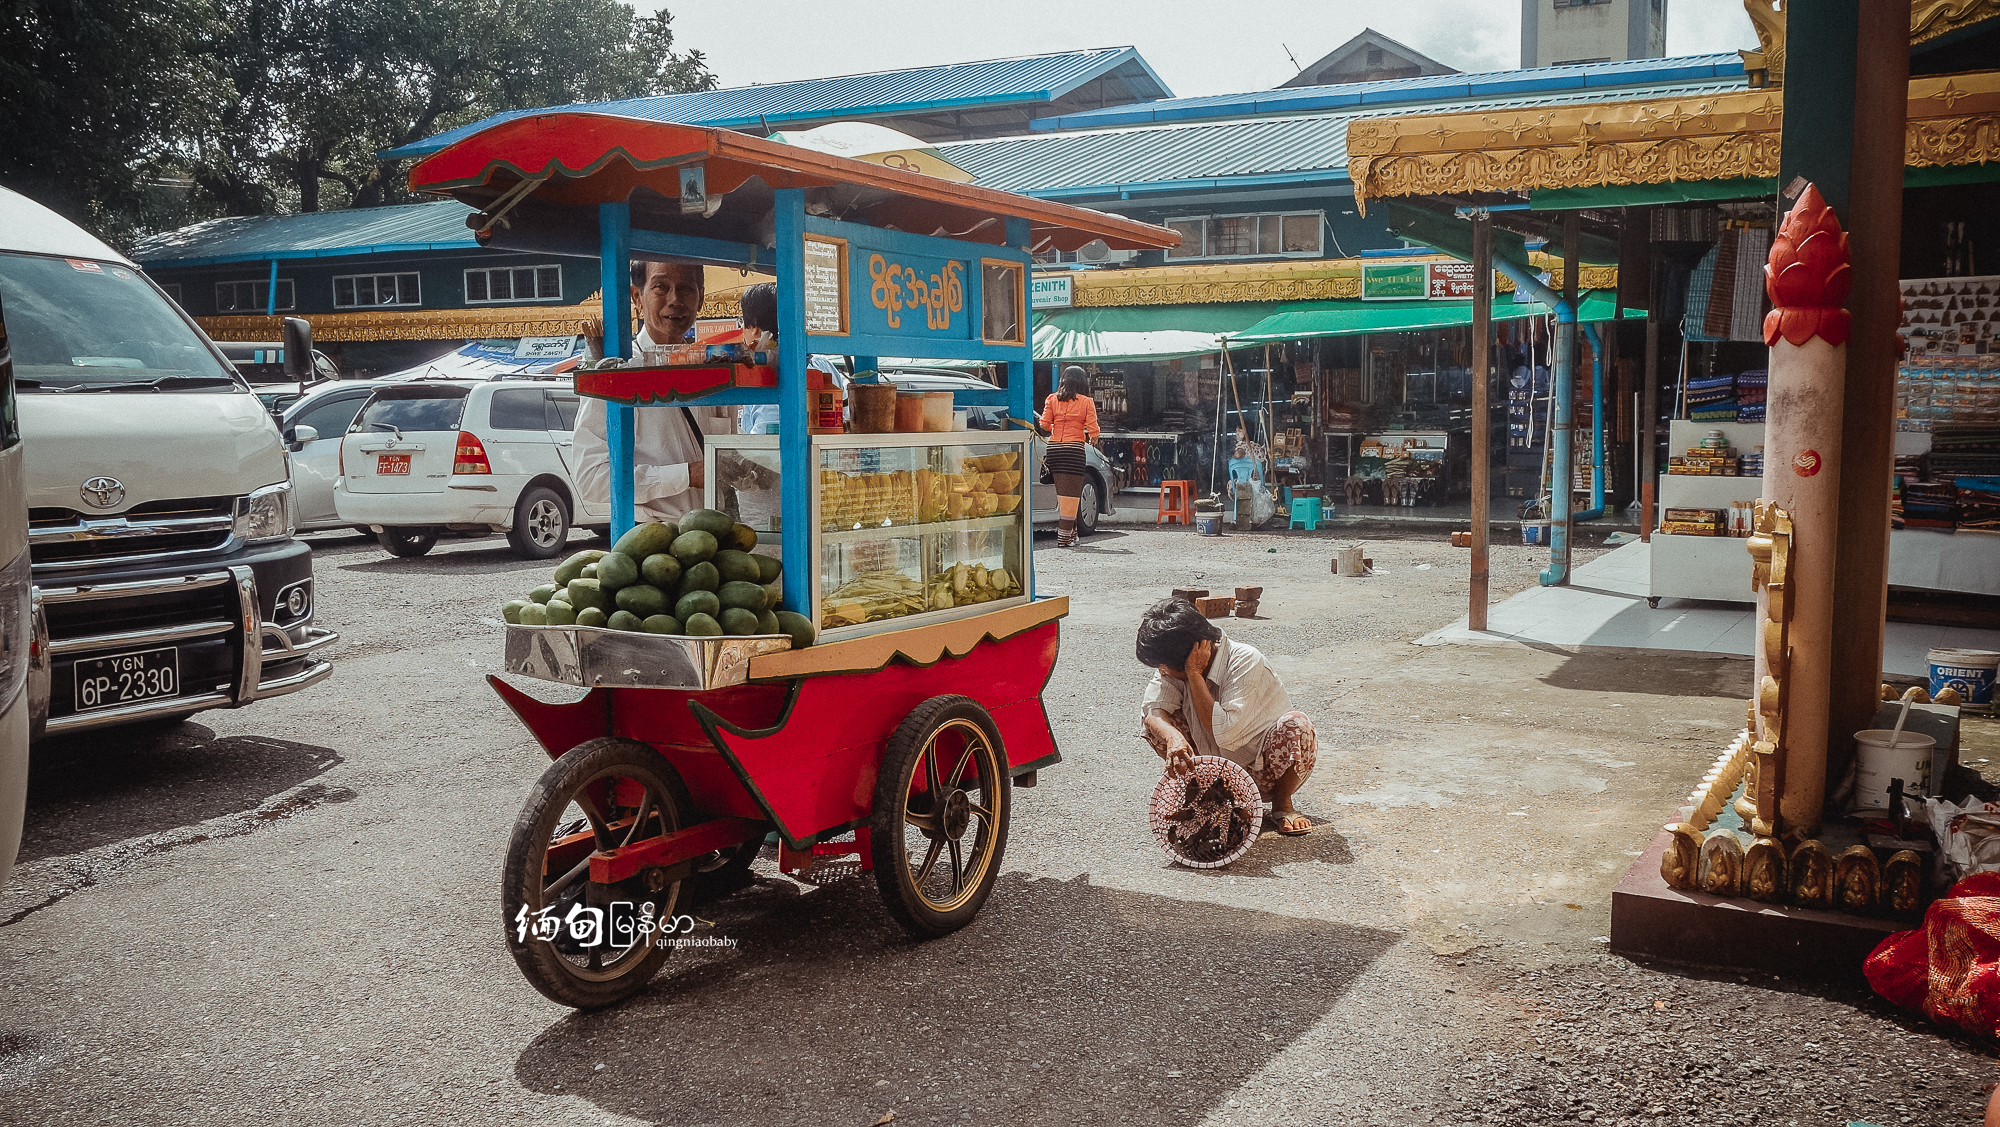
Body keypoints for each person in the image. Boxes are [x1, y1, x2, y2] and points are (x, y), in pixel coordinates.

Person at [1135, 597, 1315, 835]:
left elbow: (1224, 733)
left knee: (1297, 724)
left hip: (1260, 770)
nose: (1162, 672)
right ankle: (1203, 795)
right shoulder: (1173, 668)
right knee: (1159, 727)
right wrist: (1173, 738)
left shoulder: (1245, 660)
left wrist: (1195, 676)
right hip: (1212, 769)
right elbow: (1153, 711)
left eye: (1163, 667)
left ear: (1190, 656)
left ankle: (1282, 804)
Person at [574, 260, 736, 524]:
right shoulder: (618, 373)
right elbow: (592, 480)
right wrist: (686, 475)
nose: (675, 299)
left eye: (686, 289)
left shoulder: (715, 369)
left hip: (715, 538)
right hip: (652, 541)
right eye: (661, 287)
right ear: (637, 297)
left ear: (701, 298)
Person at [733, 281, 845, 437]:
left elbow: (764, 446)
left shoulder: (765, 378)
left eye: (742, 323)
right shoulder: (825, 366)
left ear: (756, 328)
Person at [1036, 365, 1100, 547]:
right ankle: (1064, 537)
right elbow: (1093, 429)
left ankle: (1072, 535)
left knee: (1063, 495)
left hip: (1054, 449)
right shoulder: (1086, 402)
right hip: (1073, 450)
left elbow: (1044, 425)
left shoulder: (1052, 399)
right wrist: (1093, 437)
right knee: (1071, 496)